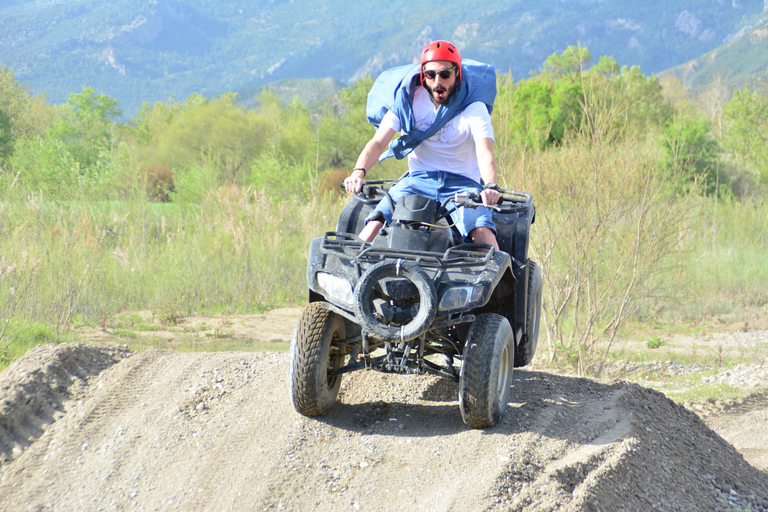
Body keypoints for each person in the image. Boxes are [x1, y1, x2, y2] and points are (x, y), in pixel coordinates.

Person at [344, 40, 501, 250]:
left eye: (445, 74)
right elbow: (378, 142)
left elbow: (485, 154)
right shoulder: (407, 102)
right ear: (422, 75)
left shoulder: (473, 107)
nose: (438, 81)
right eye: (430, 74)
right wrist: (358, 172)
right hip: (417, 181)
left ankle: (503, 282)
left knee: (482, 235)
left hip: (463, 185)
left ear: (457, 74)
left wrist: (490, 186)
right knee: (374, 226)